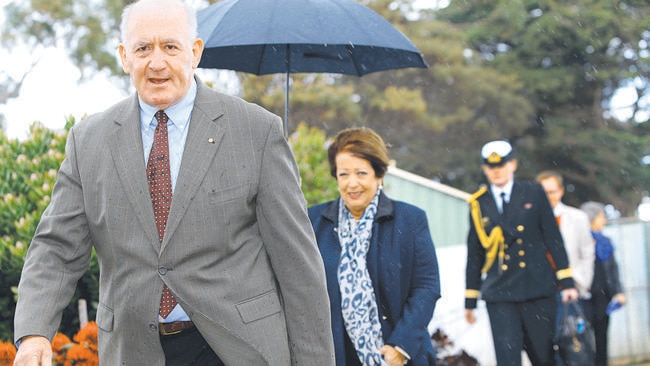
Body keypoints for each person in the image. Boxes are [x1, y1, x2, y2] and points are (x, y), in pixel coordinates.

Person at [12, 0, 335, 365]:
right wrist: (34, 334)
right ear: (124, 57)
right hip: (135, 350)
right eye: (143, 48)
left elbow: (297, 265)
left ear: (194, 52)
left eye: (170, 46)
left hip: (237, 348)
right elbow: (55, 248)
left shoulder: (256, 132)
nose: (157, 63)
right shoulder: (88, 141)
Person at [308, 127, 441, 366]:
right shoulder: (314, 222)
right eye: (343, 174)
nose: (352, 184)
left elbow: (426, 288)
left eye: (361, 173)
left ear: (378, 175)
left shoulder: (410, 220)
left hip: (397, 356)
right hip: (337, 356)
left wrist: (401, 345)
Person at [464, 139, 579, 366]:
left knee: (543, 356)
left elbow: (552, 237)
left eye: (501, 166)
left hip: (536, 289)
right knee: (507, 360)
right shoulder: (478, 203)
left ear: (513, 165)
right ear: (485, 169)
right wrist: (470, 298)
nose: (496, 171)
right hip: (500, 292)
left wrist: (567, 281)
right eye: (490, 167)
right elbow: (475, 253)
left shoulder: (533, 192)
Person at [535, 170, 595, 365]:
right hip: (540, 293)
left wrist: (581, 283)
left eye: (551, 192)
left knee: (572, 344)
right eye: (543, 192)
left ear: (560, 191)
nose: (548, 197)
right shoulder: (530, 220)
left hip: (569, 292)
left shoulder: (576, 217)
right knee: (545, 349)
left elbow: (587, 252)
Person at [580, 201, 627, 366]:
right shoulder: (580, 240)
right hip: (583, 297)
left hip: (603, 297)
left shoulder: (605, 241)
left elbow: (613, 269)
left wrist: (619, 292)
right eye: (601, 216)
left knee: (602, 337)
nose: (604, 219)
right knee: (583, 339)